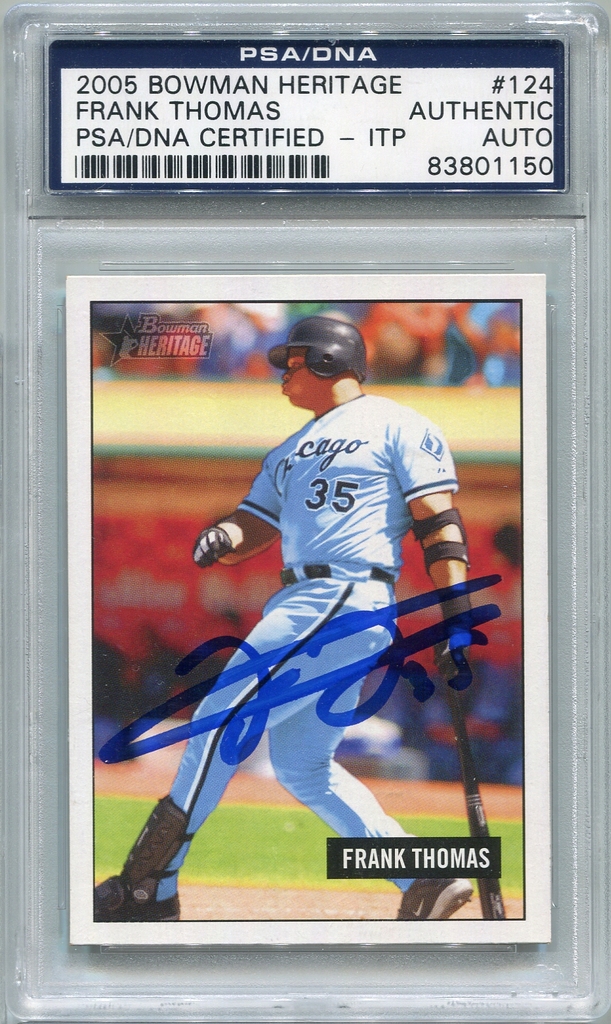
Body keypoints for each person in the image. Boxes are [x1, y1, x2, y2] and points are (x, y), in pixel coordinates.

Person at [94, 315, 474, 923]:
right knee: (303, 767)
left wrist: (456, 615)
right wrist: (226, 534)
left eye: (292, 363)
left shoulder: (399, 422)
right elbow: (255, 522)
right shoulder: (289, 448)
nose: (282, 376)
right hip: (310, 600)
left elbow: (439, 523)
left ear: (326, 360)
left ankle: (148, 884)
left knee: (218, 723)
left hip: (340, 594)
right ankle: (425, 877)